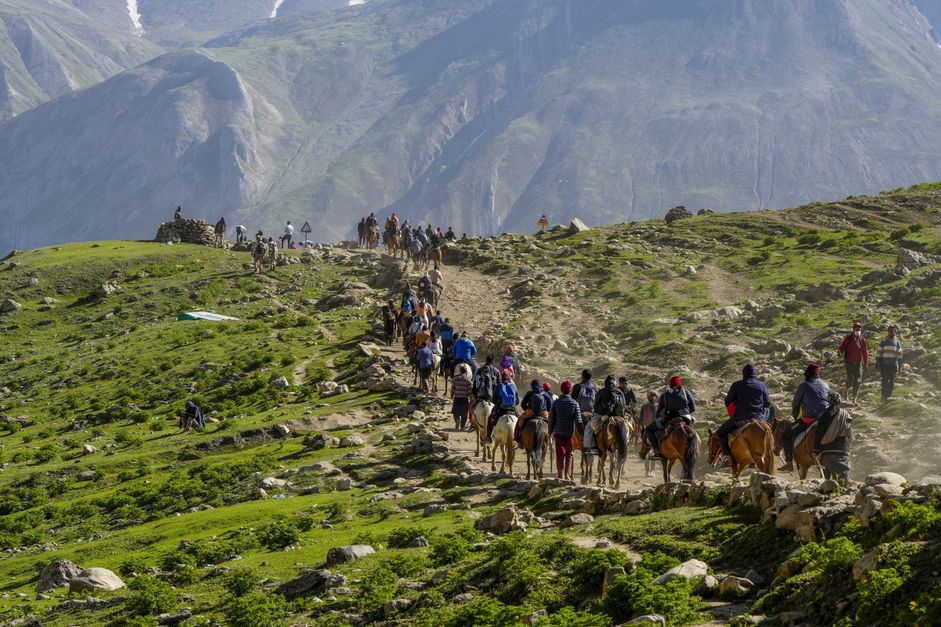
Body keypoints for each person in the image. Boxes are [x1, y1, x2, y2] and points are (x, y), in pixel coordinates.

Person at [717, 364, 772, 466]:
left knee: (721, 433)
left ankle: (727, 457)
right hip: (758, 418)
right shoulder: (762, 385)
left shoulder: (736, 385)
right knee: (771, 431)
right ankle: (775, 449)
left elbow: (728, 401)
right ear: (754, 374)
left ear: (743, 374)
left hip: (740, 418)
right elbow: (768, 403)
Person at [779, 363, 830, 472]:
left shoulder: (803, 386)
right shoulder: (825, 384)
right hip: (825, 420)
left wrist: (796, 417)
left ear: (807, 374)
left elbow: (796, 404)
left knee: (786, 435)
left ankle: (789, 463)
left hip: (809, 419)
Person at [648, 376, 696, 459]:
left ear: (670, 384)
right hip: (686, 418)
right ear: (679, 384)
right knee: (691, 429)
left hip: (670, 418)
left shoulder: (665, 394)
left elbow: (659, 411)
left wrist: (658, 417)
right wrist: (686, 413)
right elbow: (693, 408)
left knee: (649, 429)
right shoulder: (686, 392)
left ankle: (656, 451)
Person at [813, 392, 853, 482]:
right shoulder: (846, 415)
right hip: (843, 452)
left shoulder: (825, 414)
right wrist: (848, 448)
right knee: (843, 479)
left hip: (828, 452)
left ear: (828, 401)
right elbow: (850, 434)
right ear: (840, 401)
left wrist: (816, 449)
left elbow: (819, 433)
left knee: (826, 481)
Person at [548, 380, 582, 480]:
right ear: (570, 390)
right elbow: (578, 421)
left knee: (560, 454)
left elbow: (551, 419)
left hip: (558, 432)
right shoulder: (574, 403)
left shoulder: (556, 403)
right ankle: (567, 474)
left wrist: (550, 431)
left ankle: (560, 474)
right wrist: (582, 433)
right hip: (570, 433)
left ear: (561, 390)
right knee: (569, 453)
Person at [838, 322, 869, 403]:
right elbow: (842, 347)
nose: (858, 330)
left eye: (859, 328)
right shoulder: (848, 338)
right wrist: (839, 352)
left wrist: (866, 363)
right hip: (848, 362)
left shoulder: (863, 340)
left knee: (858, 381)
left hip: (858, 363)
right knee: (850, 379)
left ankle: (854, 398)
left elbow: (865, 352)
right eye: (856, 328)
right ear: (853, 329)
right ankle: (846, 391)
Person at [571, 370, 598, 454]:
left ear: (582, 376)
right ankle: (596, 446)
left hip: (579, 412)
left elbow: (573, 400)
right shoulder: (594, 388)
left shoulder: (577, 386)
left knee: (569, 426)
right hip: (592, 413)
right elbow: (597, 401)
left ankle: (571, 444)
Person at [487, 371, 519, 441]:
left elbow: (494, 400)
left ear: (502, 378)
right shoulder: (513, 386)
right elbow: (517, 401)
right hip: (512, 409)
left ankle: (489, 436)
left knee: (491, 419)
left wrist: (498, 403)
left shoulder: (499, 386)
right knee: (519, 421)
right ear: (508, 378)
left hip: (501, 409)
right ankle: (520, 438)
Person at [515, 380, 547, 444]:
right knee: (551, 423)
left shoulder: (530, 393)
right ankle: (552, 438)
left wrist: (526, 409)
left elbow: (523, 404)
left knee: (519, 422)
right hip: (543, 413)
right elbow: (549, 404)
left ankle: (518, 438)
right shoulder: (545, 393)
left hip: (531, 412)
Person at [876, 326, 903, 402]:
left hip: (893, 365)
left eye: (893, 331)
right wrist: (878, 362)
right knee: (885, 381)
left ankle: (889, 396)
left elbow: (900, 355)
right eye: (890, 331)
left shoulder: (897, 343)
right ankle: (883, 396)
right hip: (884, 365)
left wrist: (900, 365)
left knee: (892, 382)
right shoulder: (883, 341)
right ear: (888, 332)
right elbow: (879, 353)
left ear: (895, 332)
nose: (891, 333)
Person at [451, 363, 473, 429]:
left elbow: (453, 388)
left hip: (457, 397)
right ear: (466, 371)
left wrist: (452, 395)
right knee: (464, 413)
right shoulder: (468, 380)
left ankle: (457, 419)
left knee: (455, 411)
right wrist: (470, 398)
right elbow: (470, 391)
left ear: (460, 371)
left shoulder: (455, 378)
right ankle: (462, 426)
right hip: (464, 399)